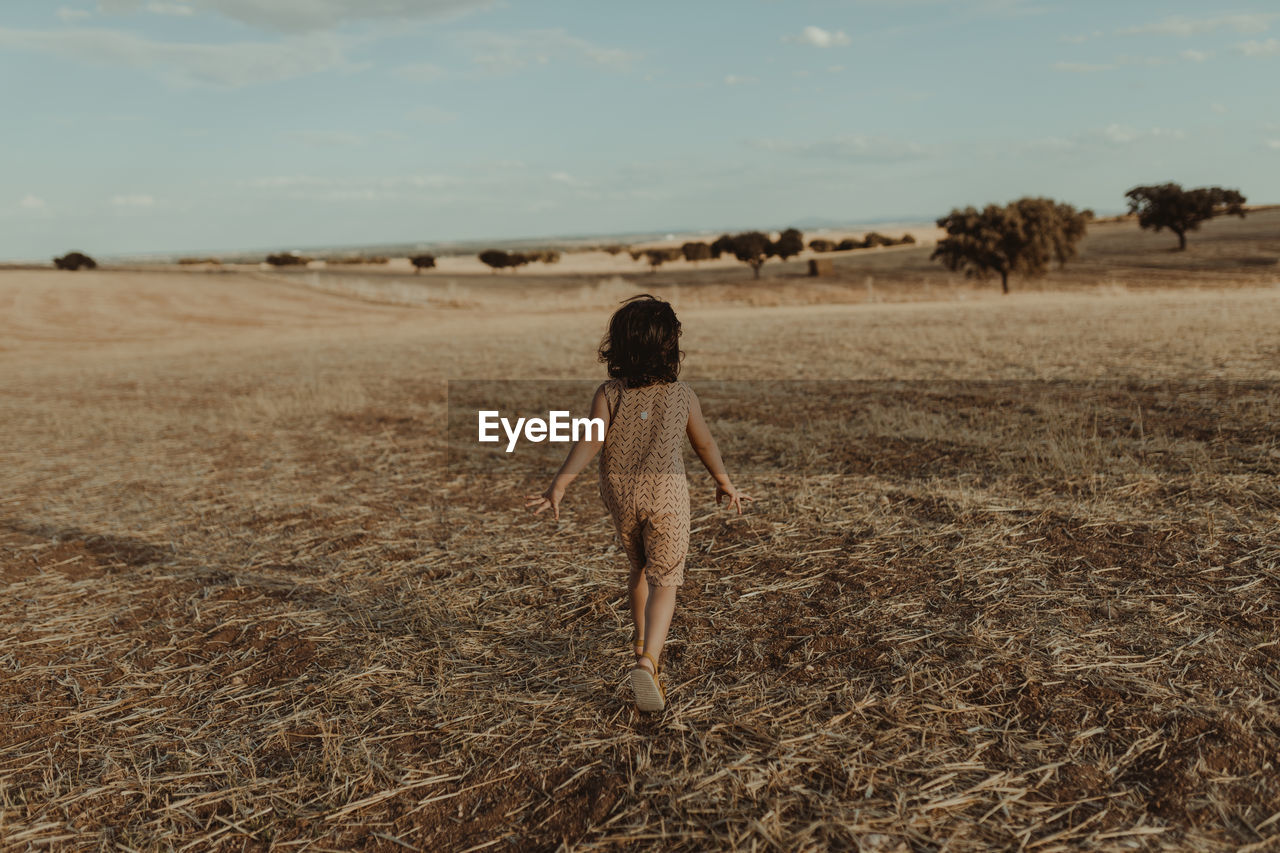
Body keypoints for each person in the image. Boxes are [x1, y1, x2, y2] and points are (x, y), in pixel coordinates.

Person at [526, 294, 751, 712]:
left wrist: (559, 485)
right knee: (667, 580)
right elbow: (704, 442)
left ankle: (638, 643)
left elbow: (591, 439)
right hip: (666, 497)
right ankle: (649, 662)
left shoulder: (609, 392)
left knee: (639, 568)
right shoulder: (682, 395)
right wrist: (725, 483)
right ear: (670, 348)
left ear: (618, 346)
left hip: (621, 495)